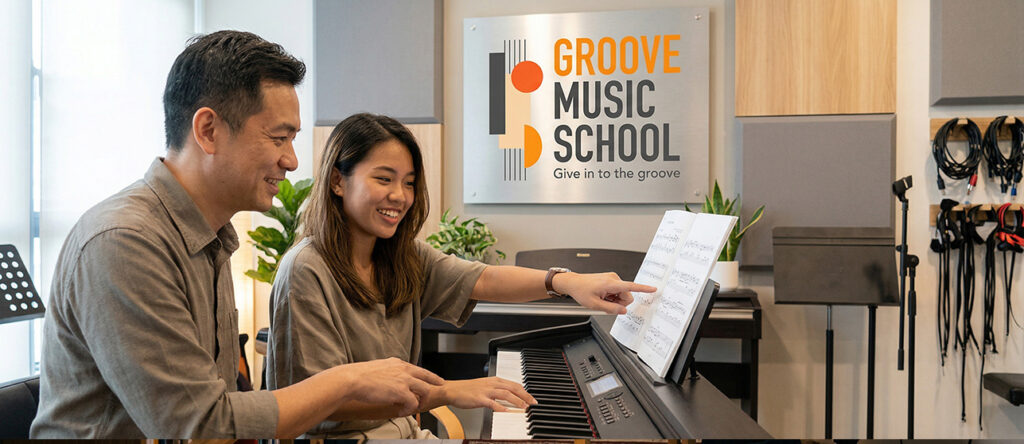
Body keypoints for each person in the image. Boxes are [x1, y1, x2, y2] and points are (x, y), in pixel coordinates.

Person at [30, 31, 446, 439]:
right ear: (209, 130)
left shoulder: (210, 238)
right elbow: (200, 423)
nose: (291, 159)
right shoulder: (125, 241)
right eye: (278, 137)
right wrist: (348, 382)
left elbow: (223, 405)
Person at [266, 113, 657, 439]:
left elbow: (482, 280)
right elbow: (319, 400)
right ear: (337, 181)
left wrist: (567, 283)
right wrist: (448, 392)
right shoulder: (306, 269)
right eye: (384, 179)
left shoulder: (401, 256)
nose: (400, 196)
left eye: (409, 183)